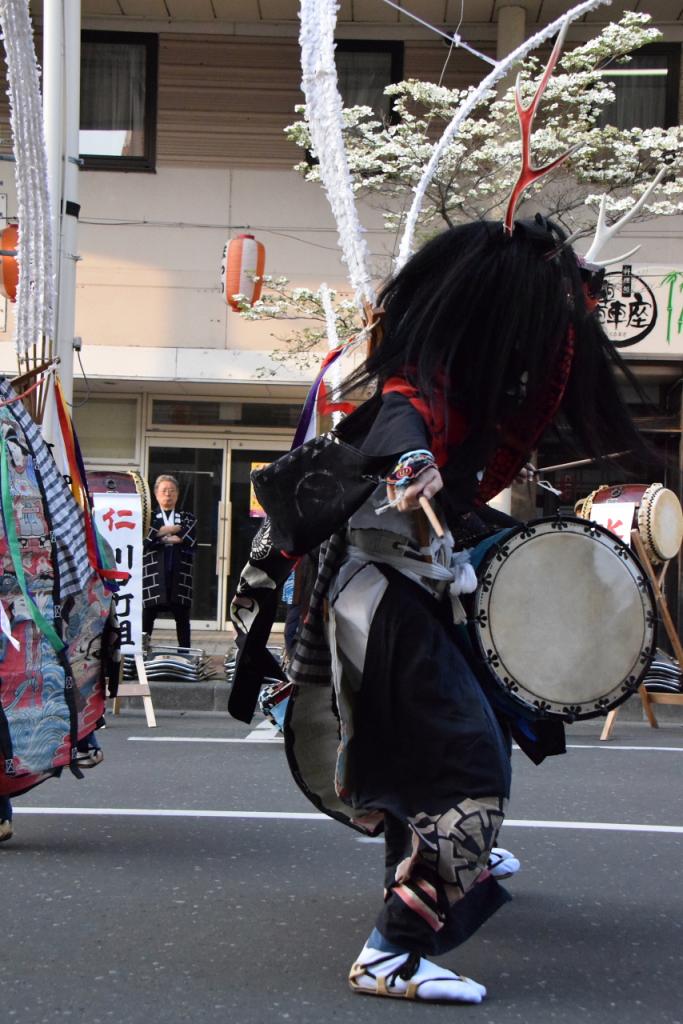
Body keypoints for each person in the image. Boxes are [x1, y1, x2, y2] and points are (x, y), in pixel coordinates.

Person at [229, 216, 653, 1004]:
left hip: (414, 579)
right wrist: (413, 461)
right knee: (465, 761)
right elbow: (401, 417)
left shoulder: (470, 378)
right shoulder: (424, 378)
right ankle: (392, 951)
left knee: (450, 737)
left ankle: (429, 863)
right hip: (378, 584)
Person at [142, 475, 197, 650]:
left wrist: (160, 535)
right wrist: (171, 530)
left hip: (179, 575)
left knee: (183, 619)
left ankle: (185, 653)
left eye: (172, 491)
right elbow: (145, 540)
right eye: (164, 490)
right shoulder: (148, 517)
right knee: (147, 618)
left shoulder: (187, 516)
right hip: (153, 576)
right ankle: (140, 654)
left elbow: (190, 538)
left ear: (178, 494)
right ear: (156, 494)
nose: (168, 494)